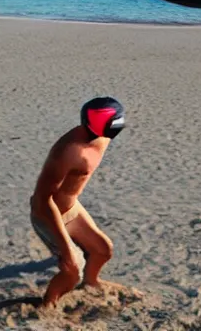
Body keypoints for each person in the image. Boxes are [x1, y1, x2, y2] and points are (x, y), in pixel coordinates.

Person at [30, 96, 126, 307]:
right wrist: (66, 250)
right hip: (48, 214)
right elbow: (43, 200)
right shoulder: (69, 151)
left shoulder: (104, 137)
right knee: (72, 270)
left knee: (103, 250)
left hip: (71, 207)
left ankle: (91, 283)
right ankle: (48, 305)